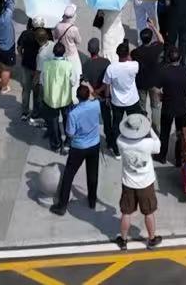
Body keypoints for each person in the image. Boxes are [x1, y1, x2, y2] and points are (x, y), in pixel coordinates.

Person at [113, 112, 163, 250]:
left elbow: (120, 135)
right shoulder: (147, 143)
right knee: (149, 212)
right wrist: (150, 129)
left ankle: (123, 240)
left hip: (128, 182)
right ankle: (151, 239)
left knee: (126, 212)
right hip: (145, 183)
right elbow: (158, 145)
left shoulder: (120, 142)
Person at [54, 83, 104, 214]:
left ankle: (62, 205)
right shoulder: (95, 105)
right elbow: (95, 96)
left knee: (69, 175)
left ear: (77, 97)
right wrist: (89, 87)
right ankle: (92, 201)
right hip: (94, 144)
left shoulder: (73, 114)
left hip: (79, 147)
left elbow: (70, 133)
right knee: (93, 174)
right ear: (88, 95)